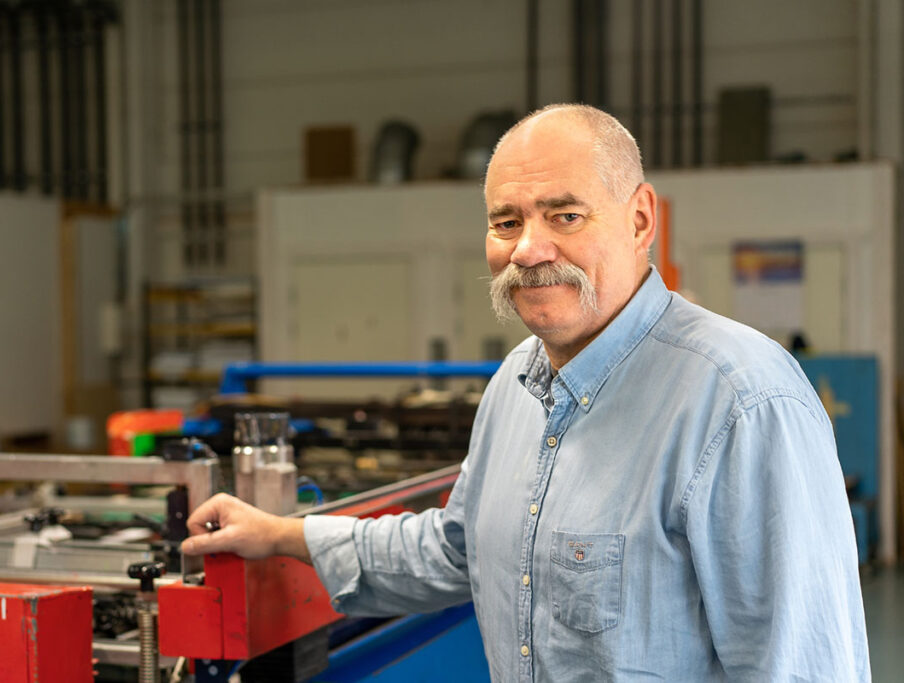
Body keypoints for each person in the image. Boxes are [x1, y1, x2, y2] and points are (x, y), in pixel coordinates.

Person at [182, 104, 871, 681]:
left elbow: (804, 664)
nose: (527, 249)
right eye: (506, 221)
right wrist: (281, 533)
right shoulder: (515, 384)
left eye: (564, 216)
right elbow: (458, 549)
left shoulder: (741, 400)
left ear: (639, 221)